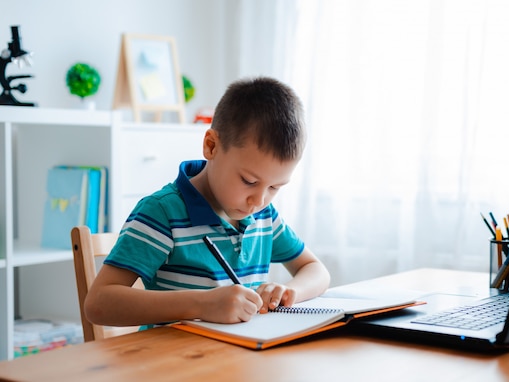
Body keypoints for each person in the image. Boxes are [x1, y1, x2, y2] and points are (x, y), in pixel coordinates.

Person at [85, 77, 330, 328]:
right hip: (175, 363)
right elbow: (99, 304)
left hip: (241, 359)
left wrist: (289, 292)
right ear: (211, 146)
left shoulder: (265, 217)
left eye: (275, 187)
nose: (258, 200)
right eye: (248, 181)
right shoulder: (163, 213)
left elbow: (316, 270)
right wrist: (202, 305)